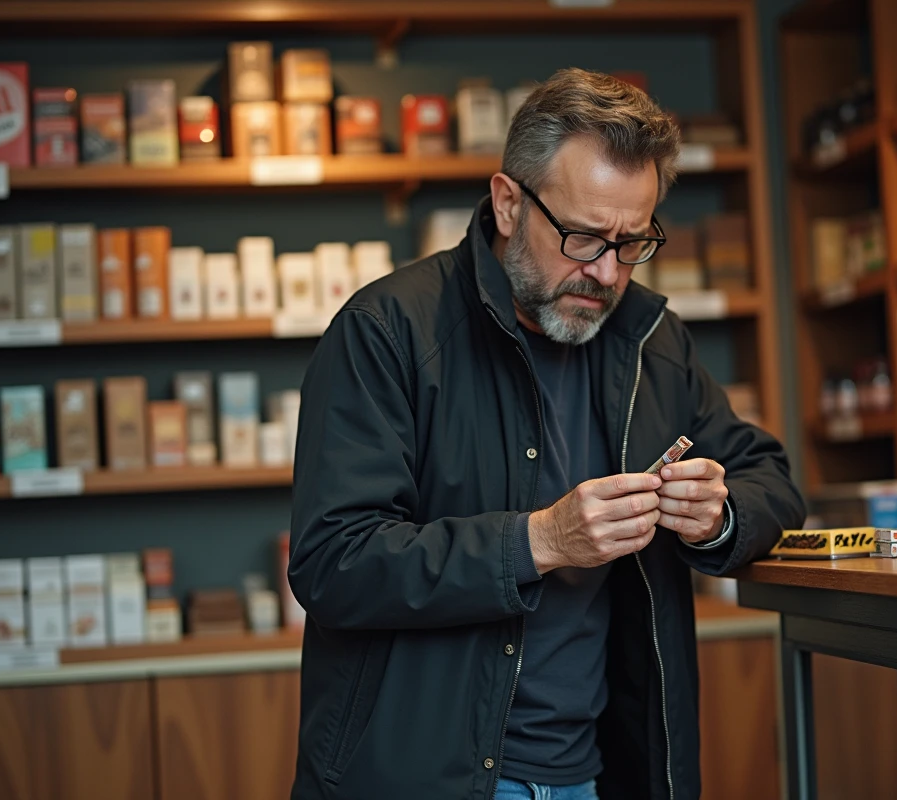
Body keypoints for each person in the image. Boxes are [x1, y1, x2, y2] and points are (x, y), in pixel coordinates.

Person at [289, 68, 805, 800]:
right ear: (507, 203)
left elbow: (773, 478)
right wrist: (540, 541)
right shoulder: (389, 332)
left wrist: (719, 515)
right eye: (582, 236)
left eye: (632, 243)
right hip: (424, 780)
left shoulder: (649, 340)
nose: (605, 272)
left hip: (596, 777)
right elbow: (332, 564)